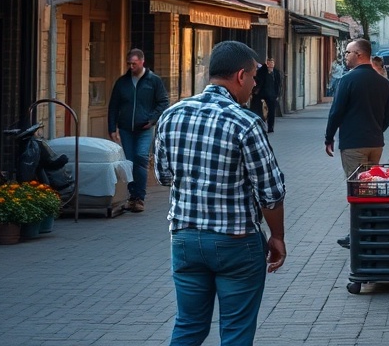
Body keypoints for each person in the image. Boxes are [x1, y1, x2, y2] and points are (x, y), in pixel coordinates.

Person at [152, 40, 286, 346]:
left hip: (185, 238)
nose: (255, 85)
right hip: (235, 241)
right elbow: (271, 191)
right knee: (236, 329)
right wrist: (277, 236)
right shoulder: (246, 122)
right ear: (240, 76)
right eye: (254, 77)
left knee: (188, 325)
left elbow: (164, 175)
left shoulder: (172, 115)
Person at [324, 38, 389, 248]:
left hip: (353, 144)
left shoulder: (348, 80)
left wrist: (329, 137)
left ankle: (357, 234)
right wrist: (376, 129)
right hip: (375, 144)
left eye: (348, 52)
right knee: (371, 187)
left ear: (359, 54)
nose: (345, 56)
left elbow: (336, 111)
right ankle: (371, 228)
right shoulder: (383, 82)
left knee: (358, 190)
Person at [107, 48, 169, 213]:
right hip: (126, 128)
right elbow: (113, 106)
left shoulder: (153, 81)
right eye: (129, 63)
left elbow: (163, 102)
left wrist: (152, 119)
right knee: (129, 161)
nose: (131, 66)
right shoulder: (122, 82)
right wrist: (112, 128)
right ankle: (132, 196)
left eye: (134, 63)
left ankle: (139, 198)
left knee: (141, 158)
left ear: (142, 62)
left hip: (145, 128)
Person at [254, 57, 282, 133]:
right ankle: (261, 126)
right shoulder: (262, 71)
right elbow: (258, 79)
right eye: (269, 62)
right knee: (261, 112)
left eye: (272, 62)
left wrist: (278, 95)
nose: (271, 64)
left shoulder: (276, 72)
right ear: (267, 63)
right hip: (262, 94)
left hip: (272, 95)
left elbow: (279, 84)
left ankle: (270, 127)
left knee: (271, 112)